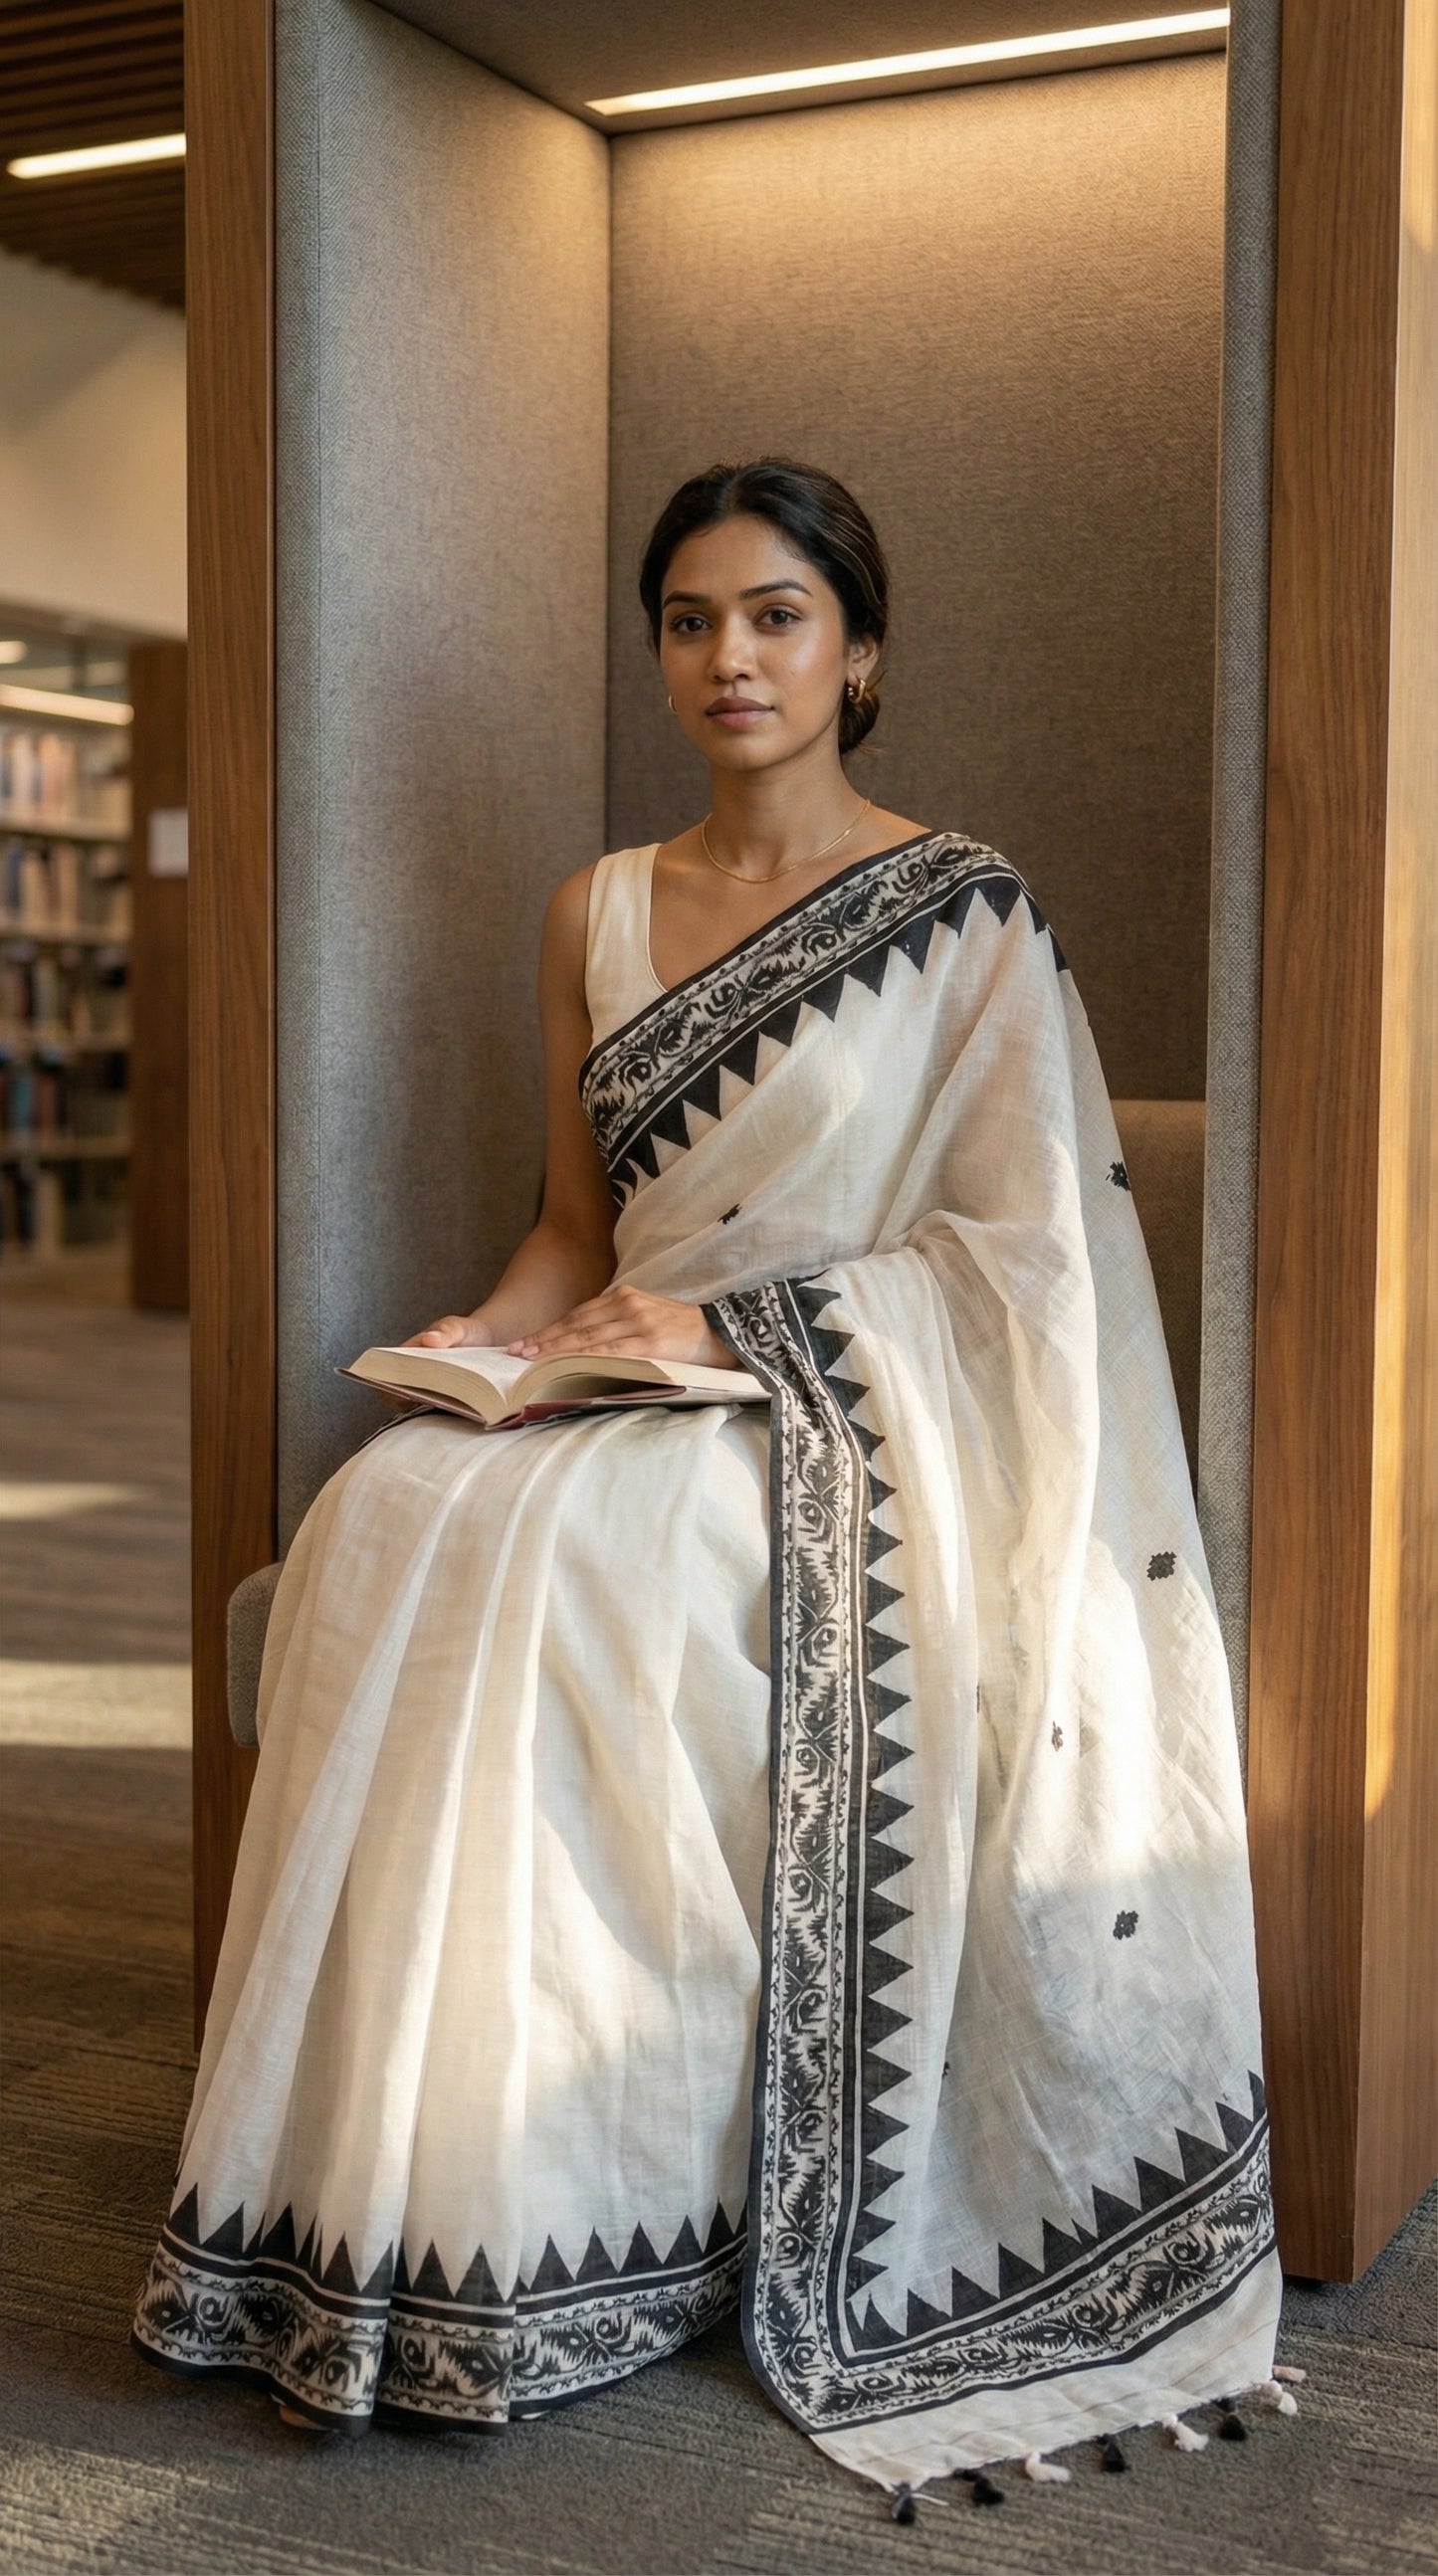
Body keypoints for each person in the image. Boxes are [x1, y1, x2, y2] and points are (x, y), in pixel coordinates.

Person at [131, 459, 1284, 2496]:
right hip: (612, 1380)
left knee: (603, 1563)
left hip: (824, 1424)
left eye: (775, 615)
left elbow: (1023, 1267)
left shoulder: (964, 913)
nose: (729, 656)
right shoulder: (597, 901)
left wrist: (740, 1338)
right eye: (689, 618)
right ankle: (389, 2195)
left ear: (861, 652)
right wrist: (490, 1346)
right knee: (392, 1507)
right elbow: (579, 1225)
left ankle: (583, 2196)